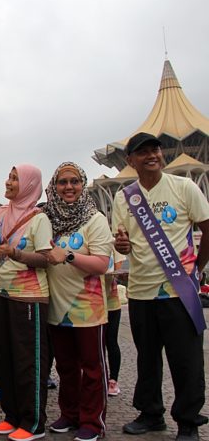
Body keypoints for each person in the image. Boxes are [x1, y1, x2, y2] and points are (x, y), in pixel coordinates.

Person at [112, 132, 209, 441]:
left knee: (186, 359)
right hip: (141, 291)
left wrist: (197, 268)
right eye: (143, 152)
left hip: (179, 290)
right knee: (147, 358)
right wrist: (123, 247)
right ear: (131, 160)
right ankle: (151, 414)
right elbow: (123, 242)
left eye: (155, 149)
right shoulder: (124, 197)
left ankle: (188, 421)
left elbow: (207, 227)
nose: (152, 155)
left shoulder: (184, 187)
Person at [43, 162, 113, 441]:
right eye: (62, 182)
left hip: (87, 308)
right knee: (65, 366)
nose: (69, 187)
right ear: (54, 186)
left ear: (83, 185)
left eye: (74, 181)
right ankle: (70, 414)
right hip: (56, 306)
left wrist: (69, 255)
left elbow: (102, 264)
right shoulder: (48, 217)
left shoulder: (94, 219)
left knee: (92, 368)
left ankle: (92, 422)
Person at [0, 164, 51, 441]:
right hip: (0, 294)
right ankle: (11, 416)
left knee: (27, 362)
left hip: (29, 299)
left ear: (29, 185)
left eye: (15, 179)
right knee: (5, 359)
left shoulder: (39, 219)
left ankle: (33, 423)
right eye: (9, 177)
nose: (8, 182)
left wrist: (15, 253)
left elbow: (46, 259)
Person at [104, 252, 125, 397]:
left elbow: (118, 268)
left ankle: (113, 380)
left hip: (111, 301)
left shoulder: (113, 244)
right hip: (89, 300)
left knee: (111, 340)